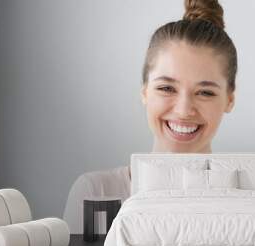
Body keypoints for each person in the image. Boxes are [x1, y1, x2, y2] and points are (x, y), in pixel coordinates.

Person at [63, 0, 238, 233]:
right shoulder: (95, 192)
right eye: (167, 88)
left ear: (229, 100)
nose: (184, 110)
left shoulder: (251, 200)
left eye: (205, 92)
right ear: (145, 91)